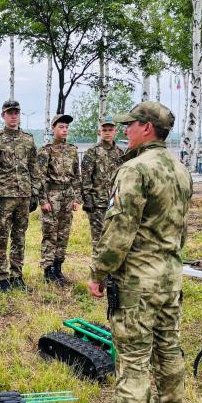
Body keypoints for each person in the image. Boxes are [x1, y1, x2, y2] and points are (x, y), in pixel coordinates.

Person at [87, 101, 192, 403]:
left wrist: (99, 272)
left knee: (133, 358)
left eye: (130, 124)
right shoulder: (179, 169)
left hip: (137, 281)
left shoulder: (135, 169)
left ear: (147, 128)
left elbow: (119, 230)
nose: (125, 130)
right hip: (169, 275)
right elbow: (181, 229)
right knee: (168, 349)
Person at [0, 100, 41, 292]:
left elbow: (34, 167)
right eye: (10, 113)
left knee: (19, 237)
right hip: (3, 197)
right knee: (1, 238)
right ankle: (2, 278)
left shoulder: (28, 139)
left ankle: (17, 276)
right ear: (3, 115)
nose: (13, 116)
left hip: (24, 196)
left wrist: (35, 193)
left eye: (16, 112)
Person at [37, 114, 81, 285]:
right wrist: (43, 200)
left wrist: (77, 198)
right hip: (52, 195)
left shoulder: (72, 150)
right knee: (50, 234)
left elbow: (76, 176)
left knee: (63, 234)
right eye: (61, 127)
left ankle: (58, 268)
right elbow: (40, 177)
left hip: (67, 196)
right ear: (53, 128)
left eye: (66, 127)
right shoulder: (46, 150)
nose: (64, 130)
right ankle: (48, 271)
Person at [80, 116, 124, 284]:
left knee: (114, 239)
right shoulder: (92, 152)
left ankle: (111, 274)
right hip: (97, 204)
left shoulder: (120, 153)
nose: (107, 133)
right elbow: (86, 177)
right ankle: (98, 277)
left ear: (115, 132)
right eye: (104, 130)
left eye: (110, 130)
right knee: (98, 241)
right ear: (99, 132)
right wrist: (87, 199)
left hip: (115, 204)